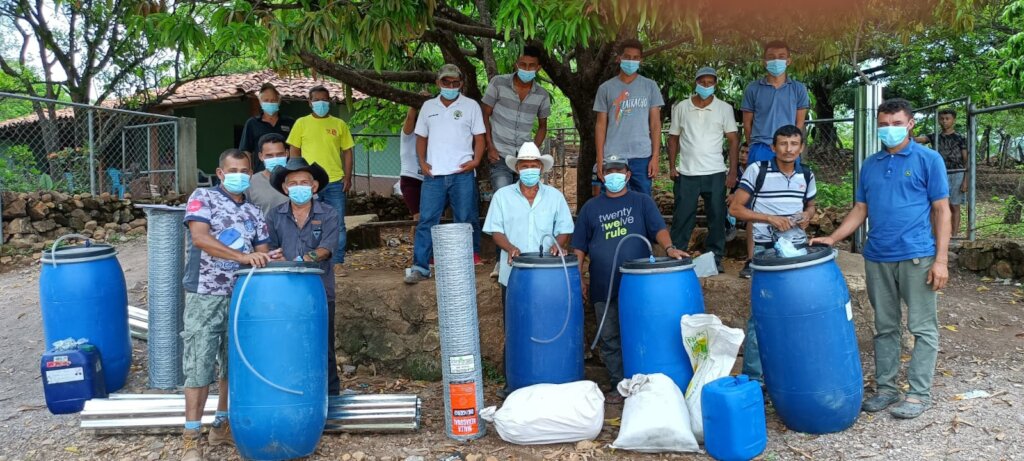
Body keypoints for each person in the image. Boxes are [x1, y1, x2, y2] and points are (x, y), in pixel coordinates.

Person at [811, 98, 950, 420]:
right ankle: (887, 389)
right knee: (884, 326)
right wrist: (833, 238)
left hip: (917, 255)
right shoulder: (870, 164)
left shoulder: (929, 159)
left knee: (922, 327)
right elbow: (861, 209)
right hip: (877, 256)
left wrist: (941, 260)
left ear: (911, 124)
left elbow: (942, 210)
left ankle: (918, 393)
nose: (889, 130)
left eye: (896, 124)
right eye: (884, 125)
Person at [572, 154, 688, 402]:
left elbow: (659, 230)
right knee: (610, 337)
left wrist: (669, 249)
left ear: (627, 174)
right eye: (609, 170)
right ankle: (618, 385)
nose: (614, 175)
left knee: (641, 333)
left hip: (639, 287)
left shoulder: (642, 202)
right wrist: (577, 277)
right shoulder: (591, 208)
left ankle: (646, 387)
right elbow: (579, 247)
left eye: (619, 170)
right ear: (602, 175)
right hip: (603, 285)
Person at [180, 148, 271, 461]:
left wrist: (270, 256)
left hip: (244, 295)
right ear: (220, 174)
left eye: (244, 171)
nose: (239, 176)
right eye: (232, 171)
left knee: (234, 363)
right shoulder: (202, 198)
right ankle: (192, 437)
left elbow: (261, 251)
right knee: (199, 362)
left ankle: (222, 426)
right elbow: (200, 239)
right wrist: (242, 257)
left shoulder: (255, 213)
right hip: (205, 292)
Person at [482, 141, 573, 394]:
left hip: (548, 276)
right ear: (517, 168)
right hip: (514, 274)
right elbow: (495, 230)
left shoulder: (554, 197)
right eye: (525, 165)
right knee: (515, 327)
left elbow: (565, 228)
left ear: (541, 169)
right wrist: (510, 247)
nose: (530, 169)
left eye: (534, 165)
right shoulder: (502, 197)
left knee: (548, 324)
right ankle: (513, 382)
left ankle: (548, 377)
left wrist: (558, 244)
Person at [728, 125, 817, 383]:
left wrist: (808, 215)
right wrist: (769, 218)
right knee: (761, 315)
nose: (788, 149)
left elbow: (810, 205)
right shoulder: (758, 170)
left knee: (797, 310)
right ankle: (754, 379)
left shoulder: (807, 174)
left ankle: (791, 373)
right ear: (772, 147)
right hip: (766, 252)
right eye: (783, 144)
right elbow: (736, 209)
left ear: (801, 148)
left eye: (794, 144)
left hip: (797, 253)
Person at [404, 64, 486, 284]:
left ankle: (465, 263)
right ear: (437, 83)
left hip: (463, 173)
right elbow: (421, 138)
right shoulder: (428, 106)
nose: (450, 86)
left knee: (465, 219)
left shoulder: (471, 106)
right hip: (434, 176)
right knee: (427, 220)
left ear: (461, 83)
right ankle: (420, 266)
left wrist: (476, 160)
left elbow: (480, 138)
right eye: (446, 82)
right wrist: (423, 162)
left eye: (455, 82)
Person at [266, 158, 342, 395]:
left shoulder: (329, 213)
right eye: (294, 183)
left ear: (315, 186)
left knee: (322, 344)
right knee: (287, 342)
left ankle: (330, 395)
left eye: (305, 182)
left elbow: (327, 248)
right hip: (283, 290)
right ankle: (292, 392)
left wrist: (301, 260)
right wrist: (274, 256)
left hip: (319, 289)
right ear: (286, 188)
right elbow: (269, 247)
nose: (300, 187)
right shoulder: (274, 215)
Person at [740, 41, 810, 276]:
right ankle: (752, 259)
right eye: (771, 56)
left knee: (791, 202)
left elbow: (800, 123)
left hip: (788, 149)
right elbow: (747, 124)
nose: (776, 60)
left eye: (781, 56)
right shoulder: (753, 89)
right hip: (761, 147)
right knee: (752, 204)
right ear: (764, 60)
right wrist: (757, 145)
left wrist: (792, 145)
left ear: (789, 60)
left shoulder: (798, 89)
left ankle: (789, 251)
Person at [482, 45, 552, 279]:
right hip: (500, 153)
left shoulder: (542, 94)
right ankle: (499, 261)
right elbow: (485, 114)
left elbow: (543, 126)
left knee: (526, 204)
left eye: (532, 66)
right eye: (523, 64)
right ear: (516, 64)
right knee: (503, 200)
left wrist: (533, 150)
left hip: (524, 158)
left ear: (538, 68)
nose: (526, 69)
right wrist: (490, 146)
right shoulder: (498, 84)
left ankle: (524, 254)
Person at [667, 67, 740, 273]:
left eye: (710, 82)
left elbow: (733, 140)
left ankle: (715, 258)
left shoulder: (724, 108)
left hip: (715, 172)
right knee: (682, 217)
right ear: (696, 82)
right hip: (687, 173)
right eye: (702, 82)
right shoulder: (681, 107)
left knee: (717, 217)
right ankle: (677, 255)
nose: (706, 86)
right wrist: (672, 166)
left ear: (715, 84)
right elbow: (673, 138)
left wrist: (732, 172)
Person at [287, 85, 354, 276]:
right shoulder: (301, 123)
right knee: (308, 222)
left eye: (325, 100)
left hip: (334, 181)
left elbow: (347, 151)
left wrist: (347, 177)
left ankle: (337, 262)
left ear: (330, 102)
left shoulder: (339, 124)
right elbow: (294, 150)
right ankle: (309, 259)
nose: (321, 104)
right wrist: (297, 177)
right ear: (309, 102)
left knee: (337, 223)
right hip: (308, 184)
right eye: (316, 100)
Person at [593, 39, 665, 195]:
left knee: (642, 200)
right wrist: (600, 159)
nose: (631, 61)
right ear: (619, 58)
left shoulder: (650, 86)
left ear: (640, 60)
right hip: (613, 156)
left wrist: (655, 157)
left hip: (642, 156)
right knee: (612, 200)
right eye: (627, 57)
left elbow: (655, 124)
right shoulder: (605, 88)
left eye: (635, 57)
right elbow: (600, 125)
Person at [913, 108, 968, 237]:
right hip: (938, 173)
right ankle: (935, 234)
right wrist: (910, 126)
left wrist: (966, 179)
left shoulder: (960, 138)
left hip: (957, 172)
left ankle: (953, 235)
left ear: (953, 120)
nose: (944, 121)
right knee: (936, 204)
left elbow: (966, 160)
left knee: (954, 205)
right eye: (942, 119)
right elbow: (916, 140)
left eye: (947, 118)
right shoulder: (934, 136)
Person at [238, 83, 295, 172]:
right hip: (261, 173)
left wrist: (294, 170)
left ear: (279, 101)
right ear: (260, 101)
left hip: (286, 173)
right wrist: (248, 171)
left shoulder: (290, 122)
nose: (270, 103)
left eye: (273, 100)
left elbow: (295, 148)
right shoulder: (252, 123)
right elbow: (246, 151)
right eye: (266, 100)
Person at [247, 133, 290, 216]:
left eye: (279, 154)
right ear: (260, 156)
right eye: (269, 156)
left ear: (287, 153)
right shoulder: (250, 182)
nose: (275, 159)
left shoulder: (300, 179)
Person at [399, 100, 426, 221]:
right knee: (418, 216)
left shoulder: (429, 136)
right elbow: (410, 118)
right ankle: (417, 240)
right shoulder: (408, 134)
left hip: (428, 180)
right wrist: (416, 100)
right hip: (410, 179)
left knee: (428, 217)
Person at [724, 142, 751, 242]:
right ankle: (729, 227)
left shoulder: (755, 170)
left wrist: (735, 196)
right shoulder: (733, 171)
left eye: (747, 153)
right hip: (733, 204)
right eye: (742, 152)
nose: (743, 155)